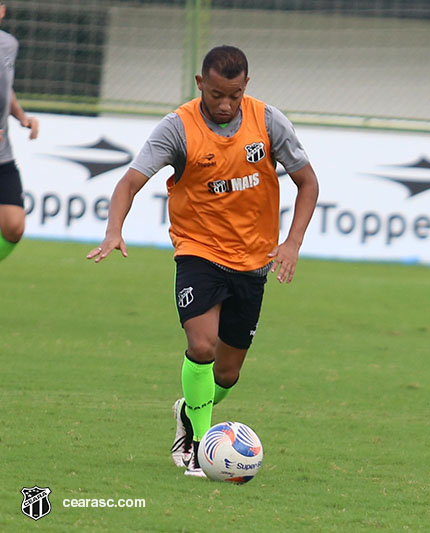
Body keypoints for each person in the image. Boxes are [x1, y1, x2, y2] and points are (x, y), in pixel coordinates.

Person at [88, 45, 319, 477]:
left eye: (233, 94)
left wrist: (292, 243)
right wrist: (113, 230)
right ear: (200, 85)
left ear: (246, 86)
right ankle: (198, 446)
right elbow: (129, 182)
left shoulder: (268, 121)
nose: (225, 104)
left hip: (254, 261)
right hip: (199, 252)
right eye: (216, 94)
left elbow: (308, 183)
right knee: (202, 346)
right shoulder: (177, 129)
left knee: (227, 375)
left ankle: (188, 409)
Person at [0, 1, 39, 264]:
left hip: (2, 154)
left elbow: (6, 88)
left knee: (14, 226)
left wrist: (22, 116)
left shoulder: (9, 45)